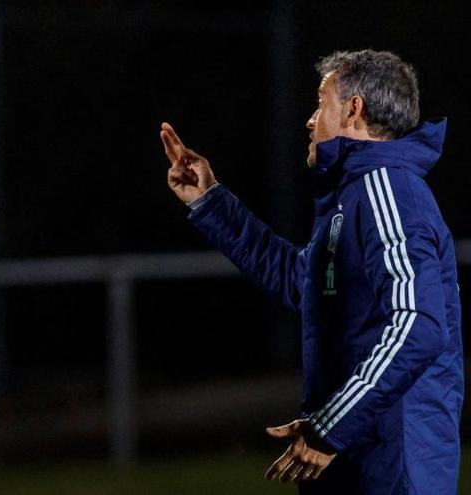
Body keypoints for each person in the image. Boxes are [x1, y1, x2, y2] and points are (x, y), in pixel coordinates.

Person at [160, 49, 462, 494]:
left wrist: (330, 427)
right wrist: (211, 202)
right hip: (361, 459)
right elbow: (302, 282)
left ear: (355, 109)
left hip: (393, 469)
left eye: (322, 101)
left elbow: (418, 323)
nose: (310, 118)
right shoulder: (355, 194)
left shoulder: (388, 188)